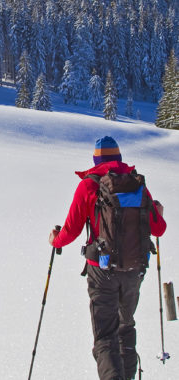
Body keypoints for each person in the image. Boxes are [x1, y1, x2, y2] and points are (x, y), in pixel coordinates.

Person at [49, 136, 166, 380]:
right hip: (134, 269)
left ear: (95, 159)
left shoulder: (89, 185)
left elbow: (71, 231)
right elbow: (158, 229)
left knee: (105, 336)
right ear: (119, 159)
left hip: (101, 271)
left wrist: (55, 240)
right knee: (126, 327)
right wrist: (160, 213)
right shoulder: (138, 184)